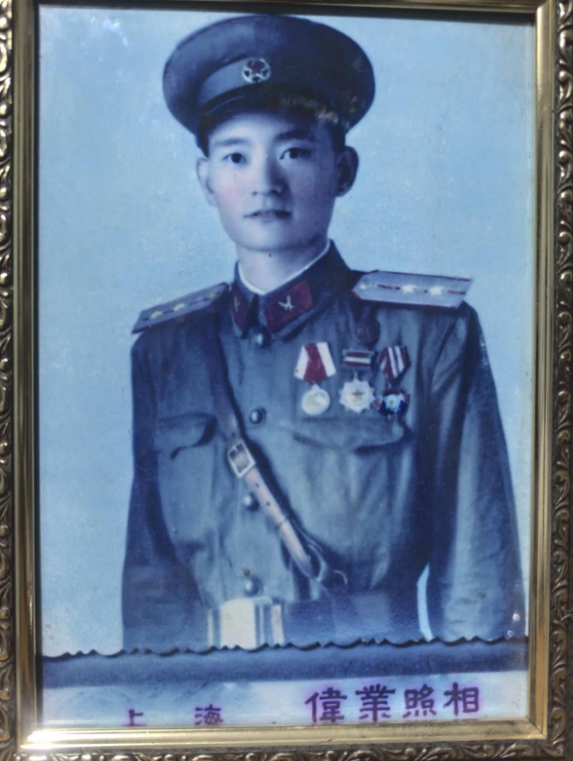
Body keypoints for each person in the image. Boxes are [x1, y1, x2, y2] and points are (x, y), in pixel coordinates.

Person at [122, 13, 525, 653]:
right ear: (207, 181)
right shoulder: (167, 352)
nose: (264, 182)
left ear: (342, 170)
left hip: (372, 686)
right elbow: (152, 589)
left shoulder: (426, 335)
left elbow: (479, 577)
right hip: (215, 694)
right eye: (235, 157)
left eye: (294, 152)